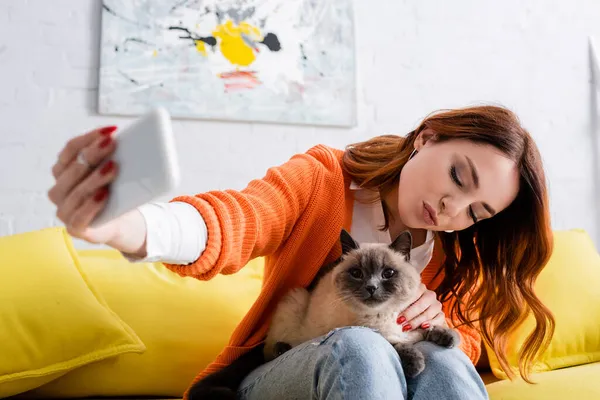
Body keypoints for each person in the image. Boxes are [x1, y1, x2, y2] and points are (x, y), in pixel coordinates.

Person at [48, 105, 555, 400]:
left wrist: (439, 324)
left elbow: (472, 339)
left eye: (476, 212)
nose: (451, 208)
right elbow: (240, 219)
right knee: (361, 345)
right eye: (457, 177)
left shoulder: (453, 254)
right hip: (285, 373)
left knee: (440, 361)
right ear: (426, 137)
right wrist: (127, 225)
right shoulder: (323, 180)